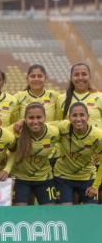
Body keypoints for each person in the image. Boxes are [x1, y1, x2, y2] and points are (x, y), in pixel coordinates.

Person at [55, 62, 102, 203]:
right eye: (76, 74)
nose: (80, 77)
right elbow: (58, 127)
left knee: (95, 201)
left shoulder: (99, 97)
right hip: (71, 159)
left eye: (84, 74)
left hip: (96, 156)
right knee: (72, 200)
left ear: (89, 76)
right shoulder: (62, 99)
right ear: (71, 77)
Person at [9, 102, 59, 206]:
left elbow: (71, 127)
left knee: (49, 213)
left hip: (45, 178)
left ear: (45, 118)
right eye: (31, 118)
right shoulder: (16, 130)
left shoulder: (54, 132)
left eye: (39, 117)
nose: (35, 121)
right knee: (20, 213)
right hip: (20, 178)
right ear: (25, 119)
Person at [53, 102, 102, 205]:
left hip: (87, 177)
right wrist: (22, 122)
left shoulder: (98, 135)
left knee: (91, 212)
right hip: (63, 177)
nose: (78, 119)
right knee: (66, 212)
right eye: (74, 115)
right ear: (69, 117)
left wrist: (95, 186)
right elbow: (44, 126)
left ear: (88, 117)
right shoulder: (63, 127)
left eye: (82, 115)